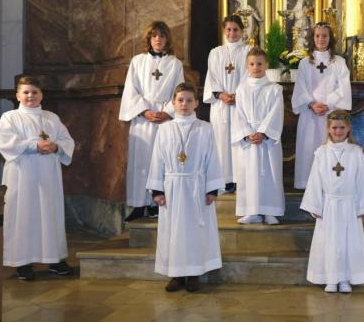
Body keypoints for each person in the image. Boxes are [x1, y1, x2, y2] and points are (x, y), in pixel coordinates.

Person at [147, 82, 224, 292]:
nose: (184, 104)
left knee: (195, 230)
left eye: (189, 100)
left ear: (197, 103)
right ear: (173, 103)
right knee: (173, 232)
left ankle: (194, 273)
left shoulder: (205, 129)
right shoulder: (165, 129)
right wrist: (157, 190)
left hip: (196, 187)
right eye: (180, 100)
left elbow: (212, 159)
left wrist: (211, 188)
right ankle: (176, 274)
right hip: (172, 187)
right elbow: (157, 159)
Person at [0, 76, 75, 281]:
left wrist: (56, 146)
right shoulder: (10, 117)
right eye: (25, 92)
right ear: (17, 96)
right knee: (22, 214)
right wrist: (35, 145)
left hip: (48, 174)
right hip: (21, 174)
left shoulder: (51, 117)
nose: (30, 95)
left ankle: (55, 259)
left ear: (41, 94)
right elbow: (6, 142)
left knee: (50, 214)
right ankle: (22, 262)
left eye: (34, 92)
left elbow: (66, 140)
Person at [300, 110, 364, 293]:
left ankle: (345, 278)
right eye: (335, 127)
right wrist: (315, 204)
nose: (338, 131)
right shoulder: (321, 152)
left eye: (342, 127)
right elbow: (315, 179)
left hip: (349, 205)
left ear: (348, 128)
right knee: (328, 243)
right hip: (329, 205)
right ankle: (330, 278)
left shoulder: (356, 152)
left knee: (348, 243)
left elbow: (363, 179)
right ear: (329, 129)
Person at [119, 21, 184, 222]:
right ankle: (139, 204)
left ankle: (158, 204)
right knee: (141, 162)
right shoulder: (138, 62)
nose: (158, 40)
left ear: (167, 40)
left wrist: (167, 112)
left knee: (163, 161)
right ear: (149, 39)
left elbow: (180, 91)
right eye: (154, 36)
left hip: (165, 121)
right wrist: (145, 111)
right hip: (143, 119)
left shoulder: (175, 63)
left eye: (162, 36)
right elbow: (131, 90)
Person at [292, 22, 352, 189]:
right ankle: (308, 186)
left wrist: (327, 103)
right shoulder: (304, 63)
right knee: (308, 149)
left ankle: (330, 186)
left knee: (329, 150)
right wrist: (312, 104)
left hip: (331, 114)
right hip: (310, 113)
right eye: (317, 35)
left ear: (330, 38)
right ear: (312, 38)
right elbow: (300, 88)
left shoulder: (339, 62)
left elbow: (343, 87)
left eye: (325, 35)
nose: (321, 39)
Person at [231, 47, 285, 224]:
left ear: (266, 65)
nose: (256, 67)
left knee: (270, 173)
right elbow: (238, 114)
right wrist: (247, 133)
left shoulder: (275, 89)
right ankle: (251, 211)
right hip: (249, 140)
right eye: (252, 64)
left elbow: (276, 113)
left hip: (267, 139)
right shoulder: (241, 89)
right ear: (247, 66)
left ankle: (270, 210)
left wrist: (263, 132)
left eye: (260, 63)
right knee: (249, 174)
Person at [203, 15, 251, 194]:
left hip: (242, 104)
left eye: (236, 29)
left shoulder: (249, 50)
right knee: (221, 141)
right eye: (229, 29)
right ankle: (224, 180)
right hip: (221, 105)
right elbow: (212, 78)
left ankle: (240, 179)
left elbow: (251, 74)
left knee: (240, 140)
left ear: (242, 31)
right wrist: (221, 95)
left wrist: (239, 95)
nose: (232, 33)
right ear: (224, 31)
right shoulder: (216, 52)